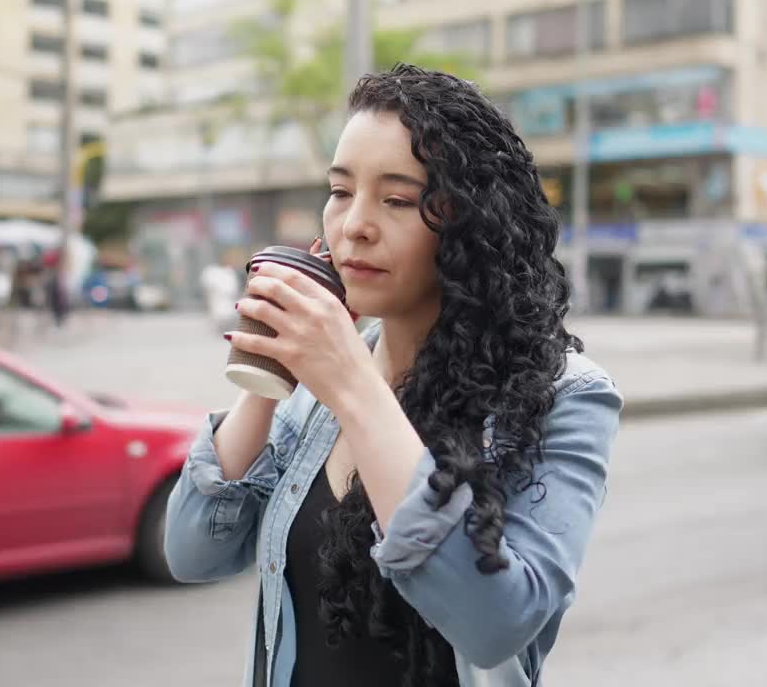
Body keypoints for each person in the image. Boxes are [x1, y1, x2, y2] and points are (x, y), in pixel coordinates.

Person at [164, 64, 623, 687]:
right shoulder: (328, 373)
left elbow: (495, 626)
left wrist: (351, 384)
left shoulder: (565, 397)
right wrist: (271, 374)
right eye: (339, 191)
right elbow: (195, 552)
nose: (355, 224)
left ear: (470, 224)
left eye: (398, 199)